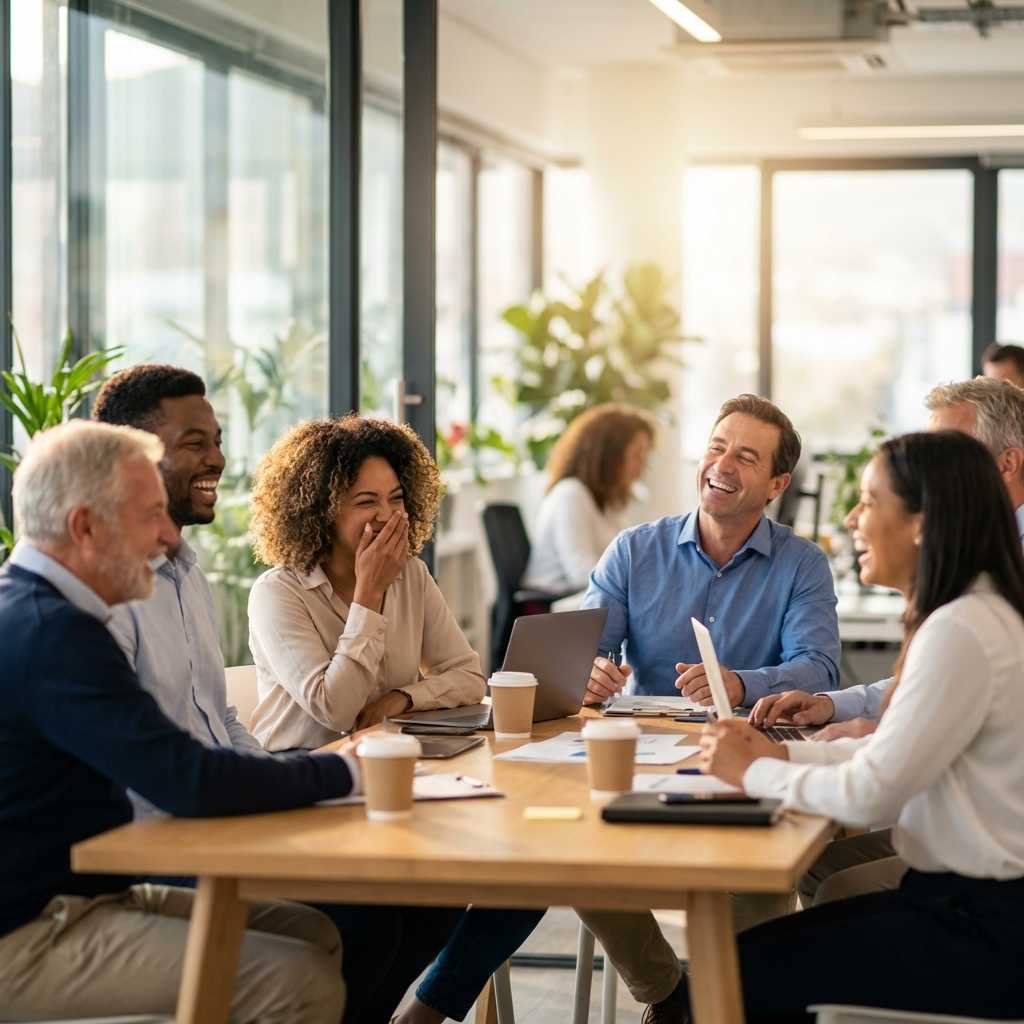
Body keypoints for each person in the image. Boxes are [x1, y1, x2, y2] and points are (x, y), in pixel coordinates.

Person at [0, 420, 360, 1022]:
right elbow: (186, 778)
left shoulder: (48, 612)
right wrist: (348, 775)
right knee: (299, 981)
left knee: (315, 934)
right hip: (27, 935)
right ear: (83, 526)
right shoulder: (52, 634)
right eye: (149, 516)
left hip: (86, 898)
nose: (170, 536)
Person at [694, 429, 1024, 1024]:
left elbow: (875, 790)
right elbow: (886, 757)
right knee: (739, 958)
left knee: (727, 975)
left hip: (982, 928)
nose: (851, 517)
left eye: (869, 501)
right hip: (968, 907)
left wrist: (759, 771)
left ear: (923, 521)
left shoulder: (961, 630)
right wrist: (781, 760)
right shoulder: (976, 613)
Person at [247, 414, 543, 1024]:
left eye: (396, 499)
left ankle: (423, 1015)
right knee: (379, 920)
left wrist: (401, 700)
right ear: (320, 508)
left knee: (530, 871)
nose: (385, 517)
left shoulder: (411, 572)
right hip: (308, 785)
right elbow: (333, 707)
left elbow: (467, 673)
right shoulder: (279, 594)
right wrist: (367, 597)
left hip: (397, 781)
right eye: (364, 502)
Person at [569, 395, 842, 1005]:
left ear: (776, 483)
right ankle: (669, 998)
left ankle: (744, 1000)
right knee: (580, 863)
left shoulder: (802, 565)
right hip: (646, 761)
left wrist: (741, 683)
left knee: (762, 911)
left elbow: (820, 670)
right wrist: (586, 672)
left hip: (751, 763)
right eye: (717, 447)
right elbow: (580, 651)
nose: (723, 463)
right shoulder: (635, 550)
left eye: (746, 456)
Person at [92, 365, 266, 775]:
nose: (218, 460)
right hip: (164, 823)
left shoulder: (190, 577)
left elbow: (219, 719)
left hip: (220, 803)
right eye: (195, 444)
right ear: (134, 459)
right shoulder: (105, 597)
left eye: (217, 442)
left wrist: (279, 783)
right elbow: (132, 757)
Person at [522, 404, 653, 593]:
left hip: (584, 601)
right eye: (637, 454)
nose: (643, 463)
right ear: (610, 456)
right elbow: (580, 573)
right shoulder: (571, 493)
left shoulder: (611, 501)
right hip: (552, 607)